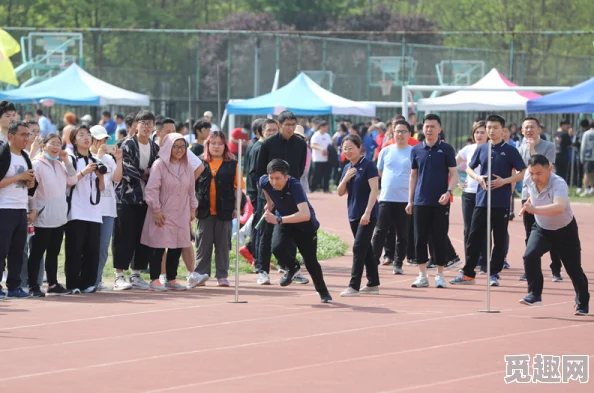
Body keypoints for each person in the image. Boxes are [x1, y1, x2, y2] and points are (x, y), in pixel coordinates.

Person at [451, 115, 526, 287]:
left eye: (495, 128)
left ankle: (494, 272)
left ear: (502, 130)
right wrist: (478, 178)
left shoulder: (510, 150)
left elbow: (523, 172)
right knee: (474, 236)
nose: (491, 131)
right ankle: (468, 273)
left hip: (500, 202)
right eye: (489, 128)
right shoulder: (482, 149)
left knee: (499, 238)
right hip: (482, 200)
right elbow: (469, 168)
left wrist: (504, 181)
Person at [520, 155, 589, 316]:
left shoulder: (559, 183)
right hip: (542, 229)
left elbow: (559, 207)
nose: (535, 177)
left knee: (573, 269)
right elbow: (531, 192)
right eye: (532, 173)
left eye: (539, 173)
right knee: (529, 255)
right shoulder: (529, 179)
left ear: (549, 168)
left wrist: (535, 210)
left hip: (565, 230)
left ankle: (582, 302)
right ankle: (535, 294)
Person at [260, 159, 332, 303]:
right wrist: (269, 204)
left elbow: (305, 214)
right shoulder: (264, 181)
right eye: (271, 178)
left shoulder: (295, 186)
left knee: (311, 262)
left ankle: (323, 291)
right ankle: (292, 268)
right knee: (277, 247)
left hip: (305, 226)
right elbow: (265, 188)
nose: (274, 182)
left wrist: (279, 220)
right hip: (285, 221)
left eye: (278, 178)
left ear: (286, 177)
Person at [141, 133, 206, 290]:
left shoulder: (187, 167)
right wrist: (156, 210)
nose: (179, 150)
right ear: (168, 147)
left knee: (177, 245)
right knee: (158, 246)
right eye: (175, 146)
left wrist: (192, 208)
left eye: (182, 147)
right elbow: (152, 189)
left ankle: (172, 278)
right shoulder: (159, 165)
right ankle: (155, 279)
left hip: (181, 211)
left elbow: (191, 190)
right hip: (163, 211)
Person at [255, 111, 309, 284]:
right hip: (269, 196)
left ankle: (291, 268)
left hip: (290, 196)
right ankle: (263, 270)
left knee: (290, 232)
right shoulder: (268, 144)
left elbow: (299, 171)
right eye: (287, 125)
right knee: (266, 233)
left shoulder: (300, 145)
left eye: (293, 125)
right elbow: (260, 172)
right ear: (279, 125)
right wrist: (268, 198)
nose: (291, 128)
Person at [406, 114, 458, 289]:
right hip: (420, 201)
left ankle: (440, 274)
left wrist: (449, 191)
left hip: (440, 202)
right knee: (419, 239)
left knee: (439, 238)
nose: (429, 129)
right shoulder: (416, 150)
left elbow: (454, 174)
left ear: (439, 129)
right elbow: (413, 176)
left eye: (432, 126)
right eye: (426, 126)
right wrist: (410, 200)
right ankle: (422, 275)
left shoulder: (447, 149)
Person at [112, 111, 160, 290]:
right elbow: (126, 168)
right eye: (143, 123)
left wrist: (150, 174)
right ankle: (119, 276)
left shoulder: (155, 147)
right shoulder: (126, 144)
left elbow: (159, 168)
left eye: (150, 123)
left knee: (142, 237)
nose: (147, 127)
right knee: (123, 237)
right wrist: (145, 173)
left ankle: (136, 273)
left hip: (146, 200)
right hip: (126, 199)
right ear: (136, 125)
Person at [28, 134, 78, 296]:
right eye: (53, 144)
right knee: (37, 253)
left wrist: (66, 160)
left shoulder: (59, 164)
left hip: (59, 216)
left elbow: (73, 180)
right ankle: (33, 286)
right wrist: (33, 209)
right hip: (42, 216)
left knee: (53, 253)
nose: (56, 147)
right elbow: (31, 191)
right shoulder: (37, 164)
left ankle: (53, 284)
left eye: (59, 144)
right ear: (44, 146)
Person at [194, 131, 243, 287]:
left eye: (220, 144)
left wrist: (237, 207)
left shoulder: (233, 164)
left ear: (225, 146)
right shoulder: (199, 163)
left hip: (225, 210)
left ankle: (222, 275)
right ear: (207, 145)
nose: (216, 147)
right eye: (213, 143)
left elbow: (238, 188)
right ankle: (201, 273)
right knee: (203, 244)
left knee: (223, 245)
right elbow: (192, 186)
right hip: (203, 211)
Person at [517, 117, 561, 281]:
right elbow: (519, 173)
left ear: (539, 130)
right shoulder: (520, 148)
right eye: (526, 128)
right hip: (528, 196)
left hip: (547, 195)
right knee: (530, 233)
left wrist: (534, 150)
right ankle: (530, 269)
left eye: (532, 127)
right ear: (522, 131)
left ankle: (556, 269)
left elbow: (546, 168)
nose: (529, 130)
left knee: (552, 232)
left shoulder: (548, 146)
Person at [64, 125, 106, 293]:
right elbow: (68, 183)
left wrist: (100, 177)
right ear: (74, 140)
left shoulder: (96, 159)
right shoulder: (71, 159)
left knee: (92, 249)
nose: (86, 138)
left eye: (88, 135)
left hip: (94, 211)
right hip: (76, 210)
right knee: (75, 249)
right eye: (81, 135)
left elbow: (101, 188)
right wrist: (84, 172)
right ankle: (73, 284)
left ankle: (88, 283)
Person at [337, 134, 380, 296]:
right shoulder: (347, 168)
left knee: (358, 248)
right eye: (344, 149)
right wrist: (345, 179)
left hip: (367, 214)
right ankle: (373, 283)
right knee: (366, 248)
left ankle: (353, 286)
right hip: (353, 213)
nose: (347, 151)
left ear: (359, 147)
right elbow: (340, 192)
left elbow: (374, 190)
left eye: (350, 148)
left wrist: (367, 212)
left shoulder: (368, 165)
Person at [0, 121, 37, 299]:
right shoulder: (2, 154)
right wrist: (19, 177)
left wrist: (30, 183)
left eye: (28, 135)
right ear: (11, 136)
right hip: (3, 208)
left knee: (18, 251)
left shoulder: (25, 156)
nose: (26, 138)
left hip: (21, 209)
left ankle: (14, 287)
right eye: (23, 134)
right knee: (1, 250)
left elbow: (29, 186)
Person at [371, 120, 412, 276]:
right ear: (393, 133)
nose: (400, 134)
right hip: (386, 198)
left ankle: (398, 263)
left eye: (403, 131)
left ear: (409, 133)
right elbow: (379, 172)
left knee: (403, 234)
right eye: (397, 131)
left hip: (405, 199)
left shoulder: (413, 152)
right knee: (380, 231)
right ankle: (373, 261)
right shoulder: (386, 151)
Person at [89, 126, 123, 290]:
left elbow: (117, 178)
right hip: (91, 209)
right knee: (90, 247)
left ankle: (97, 280)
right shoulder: (87, 157)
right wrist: (99, 156)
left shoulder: (109, 159)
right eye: (99, 139)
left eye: (104, 139)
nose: (102, 142)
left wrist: (118, 160)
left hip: (108, 208)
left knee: (103, 248)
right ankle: (86, 280)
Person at [456, 121, 488, 273]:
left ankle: (484, 261)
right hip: (469, 194)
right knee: (468, 229)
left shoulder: (491, 149)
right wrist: (458, 182)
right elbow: (451, 165)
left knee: (484, 229)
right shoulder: (468, 149)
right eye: (476, 132)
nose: (479, 135)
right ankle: (470, 260)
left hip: (486, 193)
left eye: (482, 132)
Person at [310, 120, 332, 193]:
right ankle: (314, 187)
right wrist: (321, 149)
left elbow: (330, 145)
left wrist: (328, 151)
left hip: (326, 159)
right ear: (321, 127)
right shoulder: (316, 135)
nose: (326, 129)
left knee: (326, 175)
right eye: (325, 127)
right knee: (316, 174)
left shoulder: (327, 135)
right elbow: (312, 145)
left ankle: (325, 188)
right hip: (317, 159)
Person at [579, 120, 594, 197]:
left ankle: (586, 190)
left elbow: (583, 146)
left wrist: (581, 157)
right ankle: (592, 189)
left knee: (586, 174)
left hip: (588, 157)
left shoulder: (586, 133)